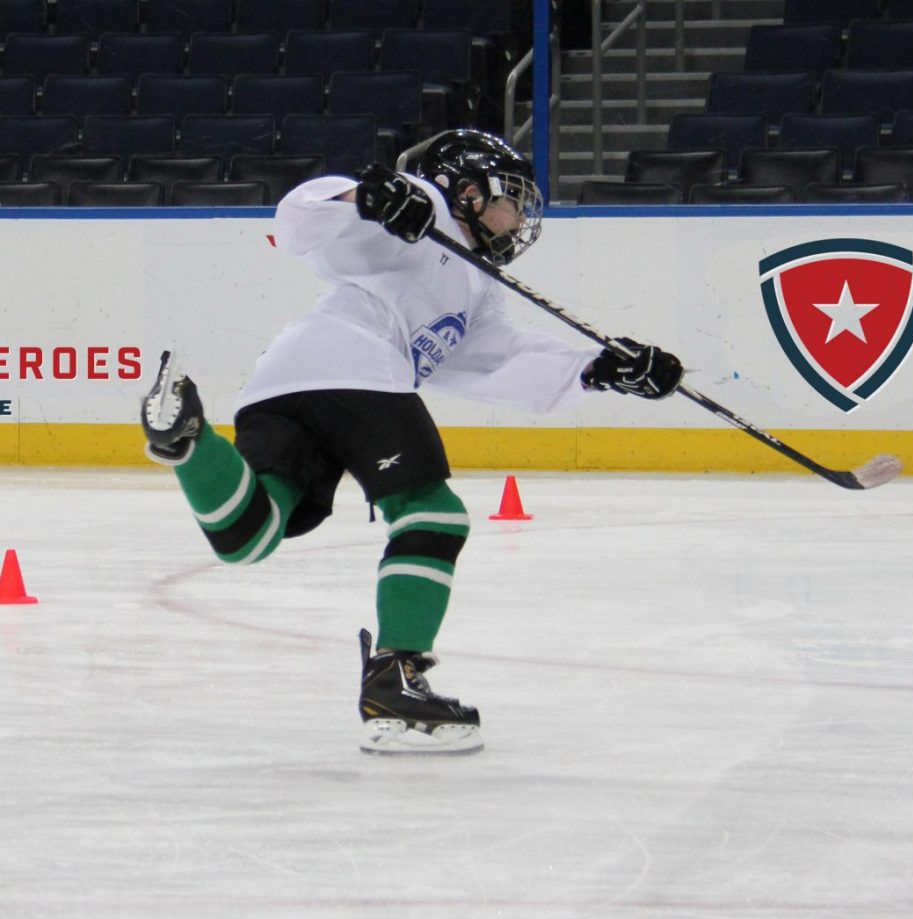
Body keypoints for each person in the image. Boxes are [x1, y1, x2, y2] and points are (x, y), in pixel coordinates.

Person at [141, 129, 683, 755]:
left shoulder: (475, 284)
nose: (518, 219)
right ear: (469, 190)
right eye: (510, 200)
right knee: (432, 514)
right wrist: (369, 197)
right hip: (356, 365)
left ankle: (189, 442)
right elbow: (301, 220)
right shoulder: (422, 209)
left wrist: (600, 368)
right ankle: (397, 677)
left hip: (283, 378)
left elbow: (496, 358)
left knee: (253, 534)